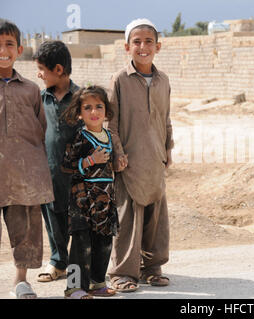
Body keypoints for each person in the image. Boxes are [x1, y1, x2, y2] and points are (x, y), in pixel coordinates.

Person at [107, 18, 174, 292]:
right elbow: (110, 122)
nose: (143, 47)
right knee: (127, 220)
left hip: (155, 159)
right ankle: (123, 273)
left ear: (158, 46)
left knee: (155, 218)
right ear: (127, 47)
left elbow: (166, 117)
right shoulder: (120, 80)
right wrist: (118, 154)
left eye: (148, 41)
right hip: (128, 161)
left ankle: (152, 268)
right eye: (137, 42)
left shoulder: (163, 80)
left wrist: (168, 148)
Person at [0, 19, 54, 299]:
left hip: (22, 174)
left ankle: (21, 281)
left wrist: (36, 168)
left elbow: (40, 130)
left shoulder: (32, 89)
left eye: (9, 44)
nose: (3, 49)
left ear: (19, 49)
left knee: (24, 231)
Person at [60, 85, 118, 299]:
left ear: (106, 111)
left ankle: (97, 283)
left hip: (105, 200)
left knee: (103, 242)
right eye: (88, 108)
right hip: (83, 202)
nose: (94, 112)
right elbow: (66, 166)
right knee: (81, 245)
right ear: (79, 113)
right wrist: (90, 160)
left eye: (98, 107)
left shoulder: (109, 136)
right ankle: (74, 287)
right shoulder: (80, 138)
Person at [32, 40, 80, 283]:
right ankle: (57, 262)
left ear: (58, 70)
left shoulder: (82, 98)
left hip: (77, 174)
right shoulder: (40, 99)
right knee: (53, 217)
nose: (38, 74)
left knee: (78, 219)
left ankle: (80, 265)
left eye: (42, 69)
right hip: (48, 172)